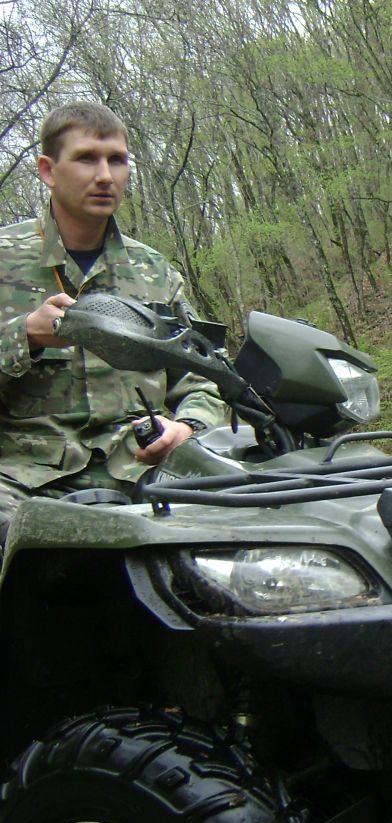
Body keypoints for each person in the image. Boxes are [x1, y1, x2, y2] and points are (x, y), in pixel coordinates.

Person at [0, 102, 228, 541]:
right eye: (86, 158)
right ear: (48, 170)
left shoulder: (153, 271)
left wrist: (187, 426)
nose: (105, 175)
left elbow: (204, 376)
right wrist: (24, 336)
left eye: (117, 160)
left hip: (145, 468)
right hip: (22, 479)